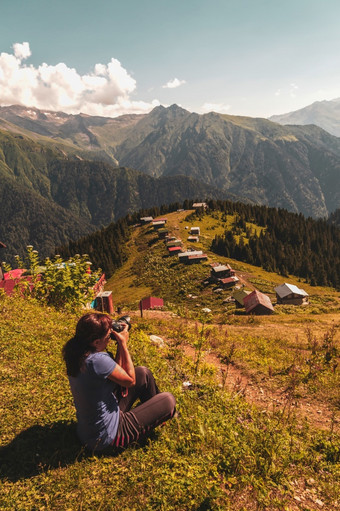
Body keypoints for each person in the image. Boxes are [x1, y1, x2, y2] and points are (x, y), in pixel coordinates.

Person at [63, 312, 176, 452]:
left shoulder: (79, 353)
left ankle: (155, 416)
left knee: (143, 372)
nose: (110, 338)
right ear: (96, 342)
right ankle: (157, 413)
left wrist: (118, 345)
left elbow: (117, 371)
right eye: (107, 336)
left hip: (91, 430)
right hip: (108, 437)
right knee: (168, 400)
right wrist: (123, 344)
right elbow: (130, 381)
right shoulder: (97, 361)